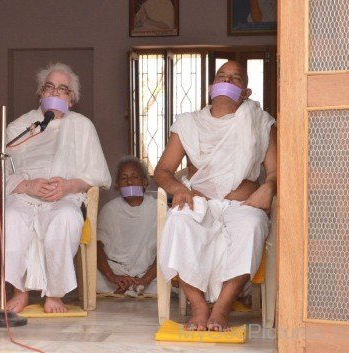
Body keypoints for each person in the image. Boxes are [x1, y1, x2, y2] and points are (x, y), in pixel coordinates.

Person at [154, 61, 277, 331]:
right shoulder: (189, 124)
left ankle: (221, 309)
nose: (227, 81)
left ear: (245, 91)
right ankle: (198, 307)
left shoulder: (260, 121)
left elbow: (275, 172)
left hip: (243, 204)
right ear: (211, 87)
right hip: (201, 202)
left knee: (253, 225)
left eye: (235, 79)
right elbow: (162, 172)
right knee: (179, 222)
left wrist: (268, 187)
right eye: (222, 76)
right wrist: (180, 190)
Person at [0, 63, 111, 313]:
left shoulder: (82, 126)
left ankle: (54, 294)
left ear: (71, 100)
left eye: (63, 89)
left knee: (65, 217)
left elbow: (97, 175)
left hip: (64, 196)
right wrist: (26, 185)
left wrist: (69, 185)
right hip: (24, 195)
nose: (54, 93)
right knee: (12, 218)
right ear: (40, 93)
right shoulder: (20, 127)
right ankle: (19, 292)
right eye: (49, 87)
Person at [96, 156, 157, 297]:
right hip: (116, 270)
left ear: (144, 181)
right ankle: (128, 284)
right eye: (123, 178)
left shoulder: (157, 208)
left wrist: (146, 278)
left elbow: (167, 249)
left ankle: (141, 284)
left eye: (134, 177)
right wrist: (112, 276)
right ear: (117, 185)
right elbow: (97, 247)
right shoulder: (110, 209)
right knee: (93, 275)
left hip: (149, 272)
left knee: (169, 270)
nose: (129, 182)